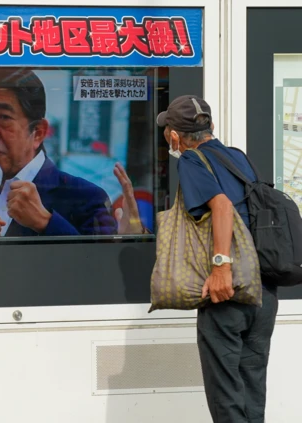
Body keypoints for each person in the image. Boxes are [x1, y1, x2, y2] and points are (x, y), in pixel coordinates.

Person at [157, 95, 278, 423]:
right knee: (252, 395)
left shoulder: (192, 160)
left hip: (229, 294)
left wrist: (220, 267)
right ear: (210, 126)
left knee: (227, 401)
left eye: (168, 131)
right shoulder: (238, 157)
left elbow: (222, 206)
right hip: (262, 294)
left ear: (176, 136)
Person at [0, 68, 145, 238]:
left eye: (4, 117)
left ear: (39, 132)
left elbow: (101, 271)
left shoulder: (86, 197)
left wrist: (46, 222)